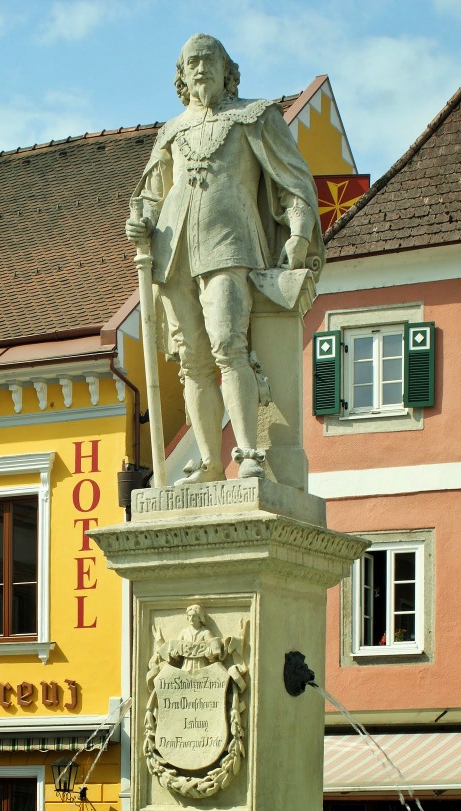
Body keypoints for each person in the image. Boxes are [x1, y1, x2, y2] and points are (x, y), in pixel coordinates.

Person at [126, 34, 324, 484]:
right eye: (191, 62)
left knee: (228, 346)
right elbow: (152, 198)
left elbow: (293, 182)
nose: (200, 68)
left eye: (208, 59)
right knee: (194, 362)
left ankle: (249, 452)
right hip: (173, 252)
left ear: (226, 68)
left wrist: (298, 233)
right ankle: (211, 464)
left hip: (230, 244)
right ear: (182, 74)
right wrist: (140, 224)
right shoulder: (171, 132)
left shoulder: (254, 116)